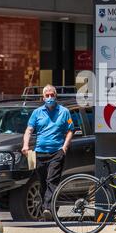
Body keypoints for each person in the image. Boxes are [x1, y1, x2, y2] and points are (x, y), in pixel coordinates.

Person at [22, 84, 74, 221]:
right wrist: (26, 145)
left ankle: (46, 208)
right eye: (47, 95)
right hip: (39, 153)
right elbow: (29, 130)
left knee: (52, 180)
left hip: (57, 152)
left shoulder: (64, 112)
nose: (50, 98)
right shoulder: (37, 113)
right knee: (43, 182)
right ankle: (50, 209)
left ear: (55, 96)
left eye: (52, 95)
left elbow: (70, 130)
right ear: (43, 97)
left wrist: (64, 147)